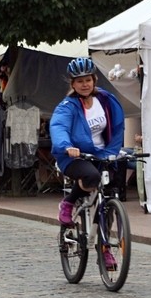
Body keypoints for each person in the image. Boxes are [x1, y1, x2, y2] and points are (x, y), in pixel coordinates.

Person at [50, 57, 125, 269]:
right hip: (75, 156)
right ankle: (69, 202)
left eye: (88, 80)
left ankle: (105, 250)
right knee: (91, 176)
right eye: (79, 81)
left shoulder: (106, 100)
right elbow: (59, 126)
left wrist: (115, 150)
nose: (85, 84)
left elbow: (118, 126)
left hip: (103, 154)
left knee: (109, 200)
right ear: (72, 84)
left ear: (94, 80)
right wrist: (66, 146)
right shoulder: (67, 106)